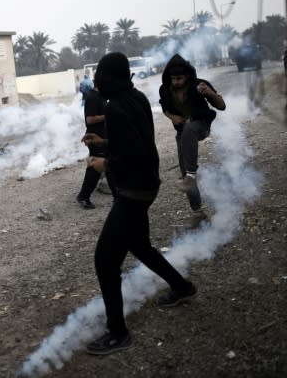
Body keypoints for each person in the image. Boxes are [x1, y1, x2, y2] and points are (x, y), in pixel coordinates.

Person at [82, 52, 196, 355]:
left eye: (100, 77)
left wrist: (103, 163)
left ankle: (117, 333)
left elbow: (132, 155)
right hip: (145, 185)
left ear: (110, 78)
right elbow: (137, 141)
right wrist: (102, 143)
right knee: (140, 246)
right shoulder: (136, 97)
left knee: (105, 261)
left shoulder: (117, 106)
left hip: (133, 191)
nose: (96, 83)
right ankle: (182, 287)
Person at [158, 54, 226, 212]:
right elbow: (164, 107)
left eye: (179, 79)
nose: (176, 82)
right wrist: (172, 117)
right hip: (183, 133)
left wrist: (210, 93)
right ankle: (197, 212)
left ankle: (191, 173)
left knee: (189, 169)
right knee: (185, 173)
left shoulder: (199, 85)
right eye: (173, 78)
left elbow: (222, 106)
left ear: (187, 76)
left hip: (200, 126)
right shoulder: (165, 89)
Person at [76, 86, 106, 209]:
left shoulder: (101, 95)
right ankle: (83, 196)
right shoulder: (93, 97)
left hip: (102, 137)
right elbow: (90, 119)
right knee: (94, 168)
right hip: (94, 138)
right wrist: (109, 114)